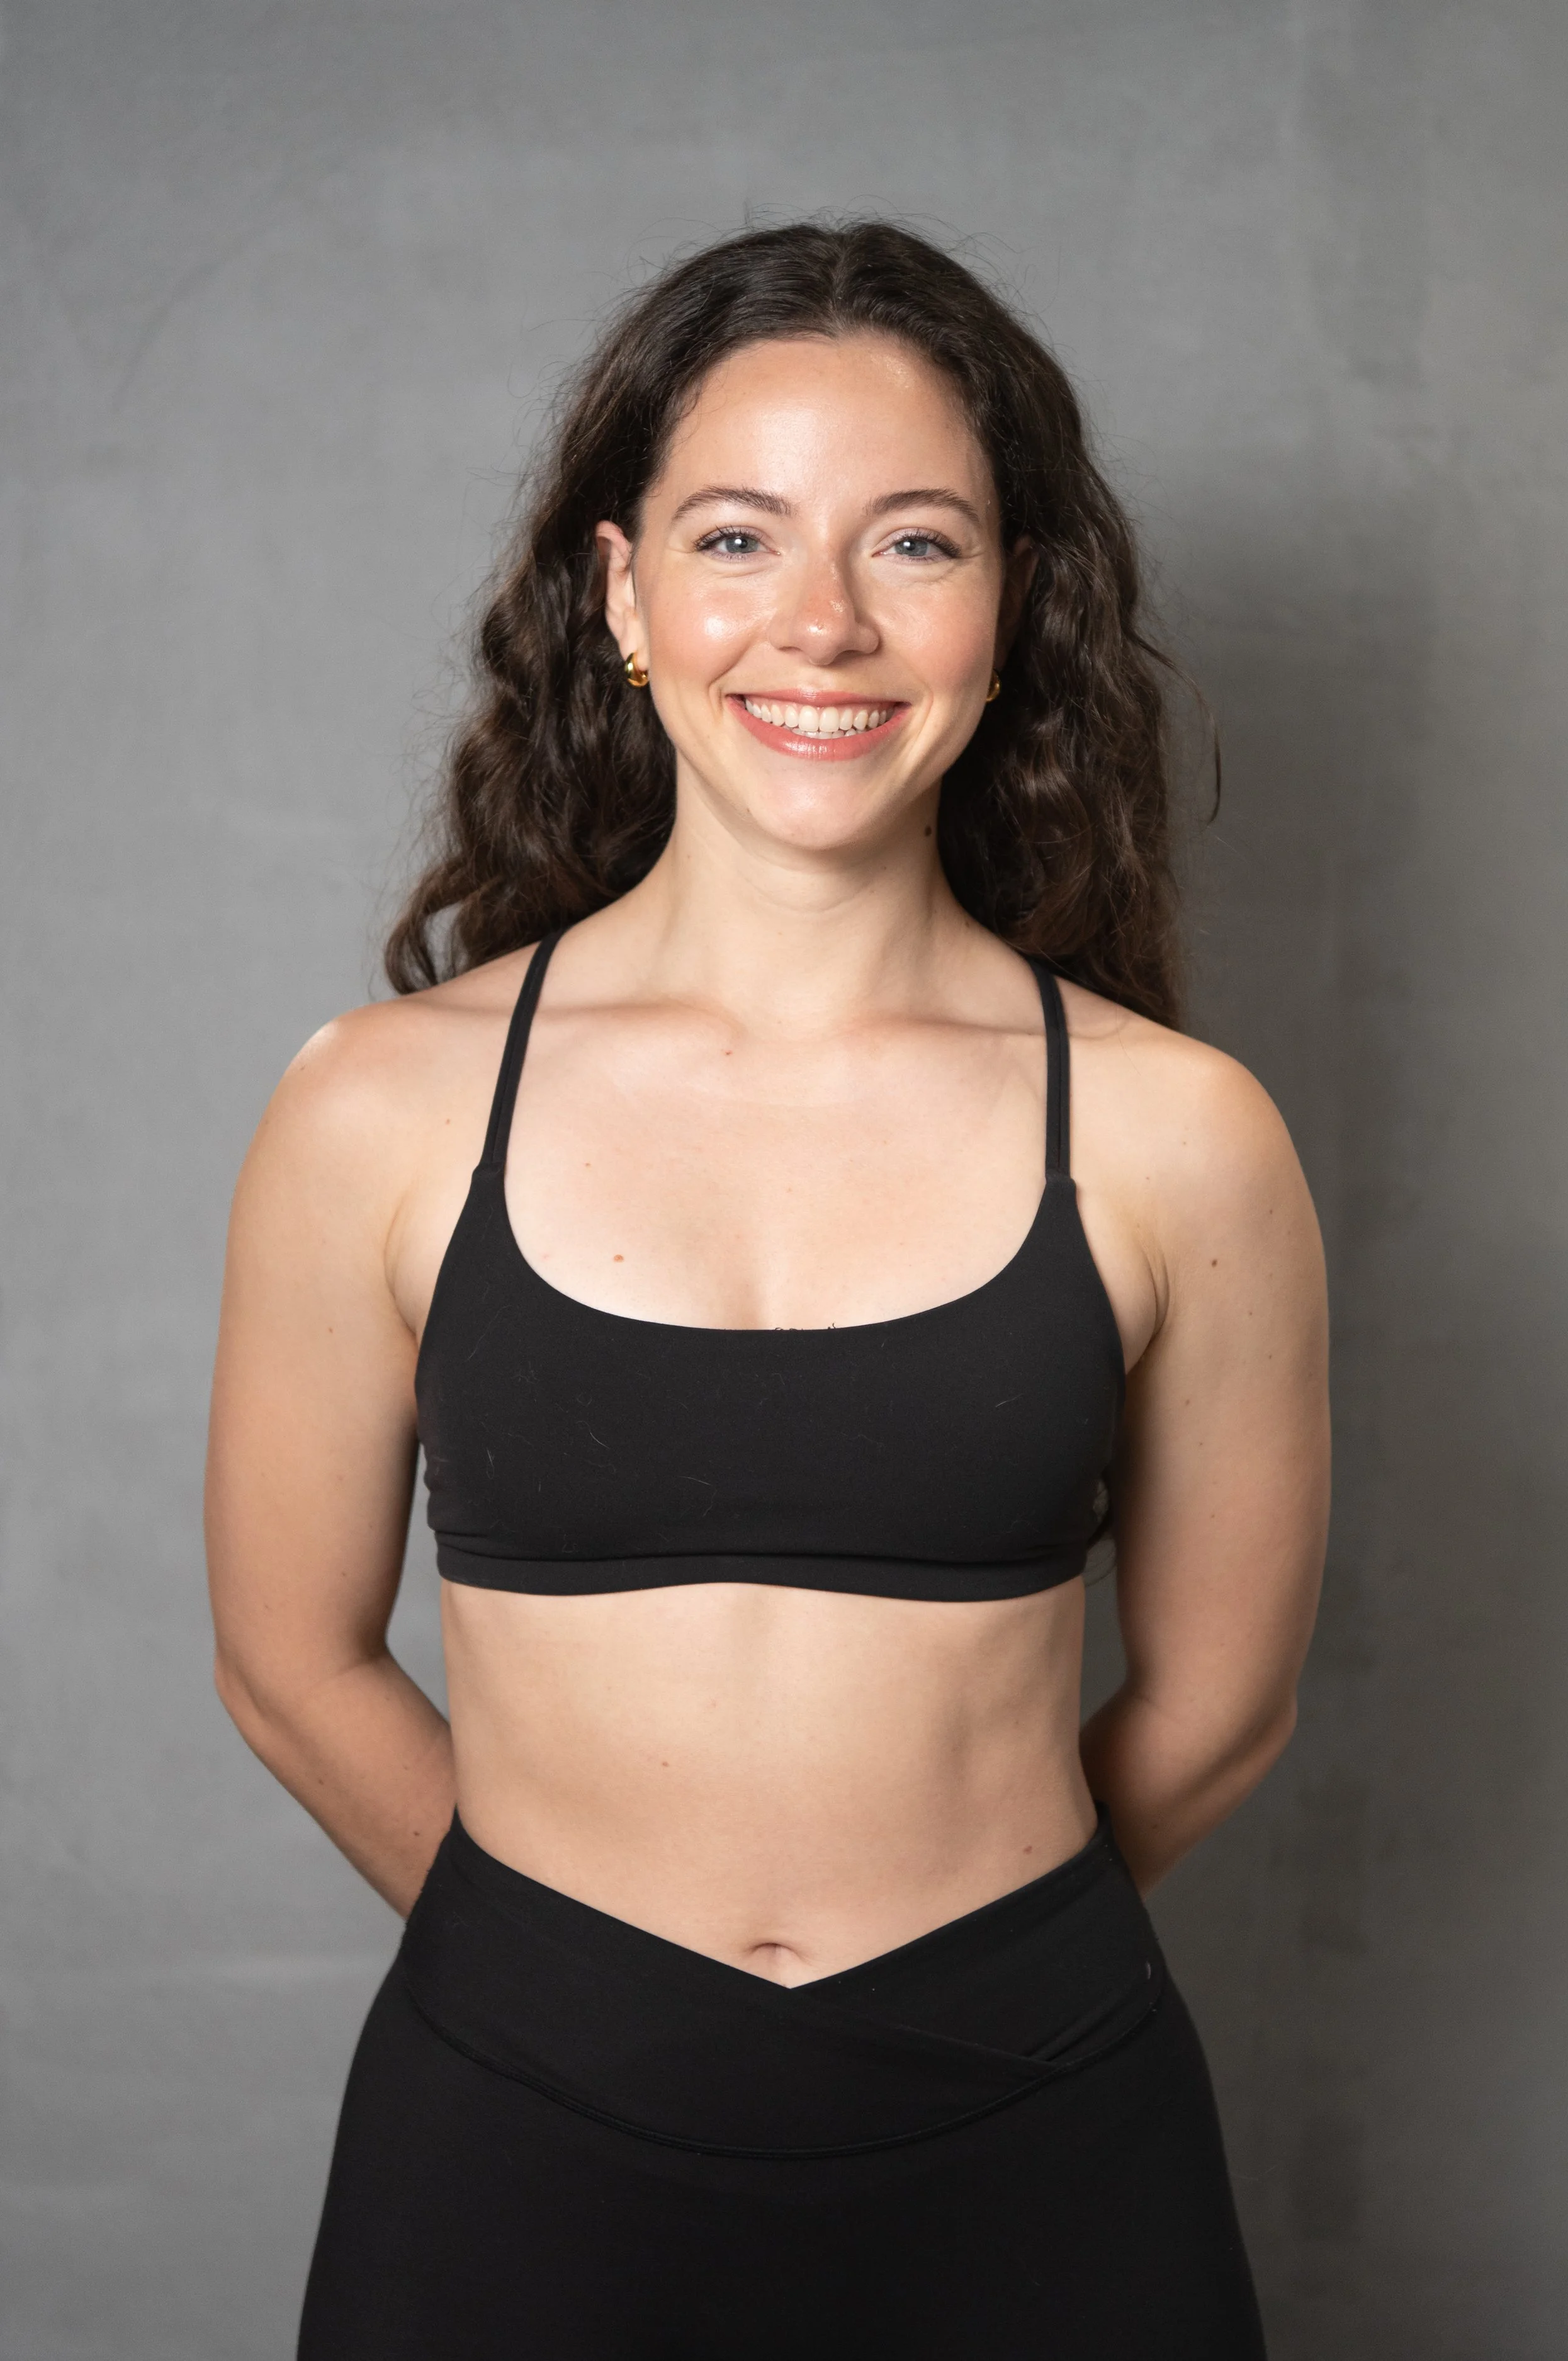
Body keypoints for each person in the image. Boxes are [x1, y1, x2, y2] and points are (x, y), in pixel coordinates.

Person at [206, 220, 1328, 2359]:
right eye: (738, 535)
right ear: (624, 592)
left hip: (1043, 2150)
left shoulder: (1185, 1137)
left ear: (1014, 608)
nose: (820, 621)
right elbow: (286, 1659)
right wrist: (569, 1998)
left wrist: (971, 1996)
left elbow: (1218, 1704)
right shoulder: (378, 1108)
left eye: (915, 543)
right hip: (511, 2147)